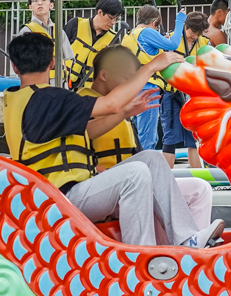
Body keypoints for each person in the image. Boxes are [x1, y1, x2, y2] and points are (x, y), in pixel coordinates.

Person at [4, 32, 222, 248]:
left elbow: (86, 132)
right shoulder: (49, 97)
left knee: (151, 159)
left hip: (57, 193)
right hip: (59, 197)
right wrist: (151, 67)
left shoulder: (24, 99)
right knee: (135, 174)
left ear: (15, 66)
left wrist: (123, 114)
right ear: (52, 62)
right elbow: (110, 104)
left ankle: (187, 239)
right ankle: (141, 255)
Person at [83, 45, 215, 233]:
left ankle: (193, 249)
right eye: (128, 78)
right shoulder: (83, 105)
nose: (133, 86)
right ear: (104, 75)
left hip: (135, 181)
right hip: (107, 188)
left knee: (199, 189)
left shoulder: (124, 108)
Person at [119, 3, 185, 150]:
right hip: (147, 87)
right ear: (154, 22)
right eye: (157, 27)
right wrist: (180, 21)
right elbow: (174, 44)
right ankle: (146, 168)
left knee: (135, 134)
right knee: (148, 136)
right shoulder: (147, 32)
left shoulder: (130, 35)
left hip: (130, 87)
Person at [160, 12, 213, 168]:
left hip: (193, 97)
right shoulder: (171, 39)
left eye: (198, 33)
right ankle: (166, 177)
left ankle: (199, 177)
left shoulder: (204, 43)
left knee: (193, 138)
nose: (194, 36)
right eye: (192, 32)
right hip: (171, 94)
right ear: (185, 27)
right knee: (170, 137)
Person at [63, 0, 124, 90]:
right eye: (111, 18)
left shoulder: (114, 39)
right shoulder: (75, 24)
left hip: (92, 90)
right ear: (100, 12)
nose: (113, 22)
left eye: (117, 19)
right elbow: (58, 51)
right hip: (67, 84)